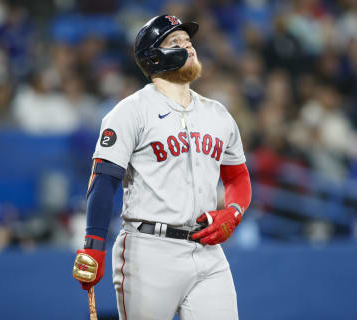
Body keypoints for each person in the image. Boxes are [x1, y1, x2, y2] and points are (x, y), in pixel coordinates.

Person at [72, 14, 252, 320]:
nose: (188, 46)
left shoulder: (218, 114)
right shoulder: (130, 112)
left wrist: (233, 213)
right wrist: (94, 245)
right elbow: (103, 182)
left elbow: (237, 177)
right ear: (154, 57)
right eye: (176, 42)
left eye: (189, 40)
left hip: (207, 253)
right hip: (149, 251)